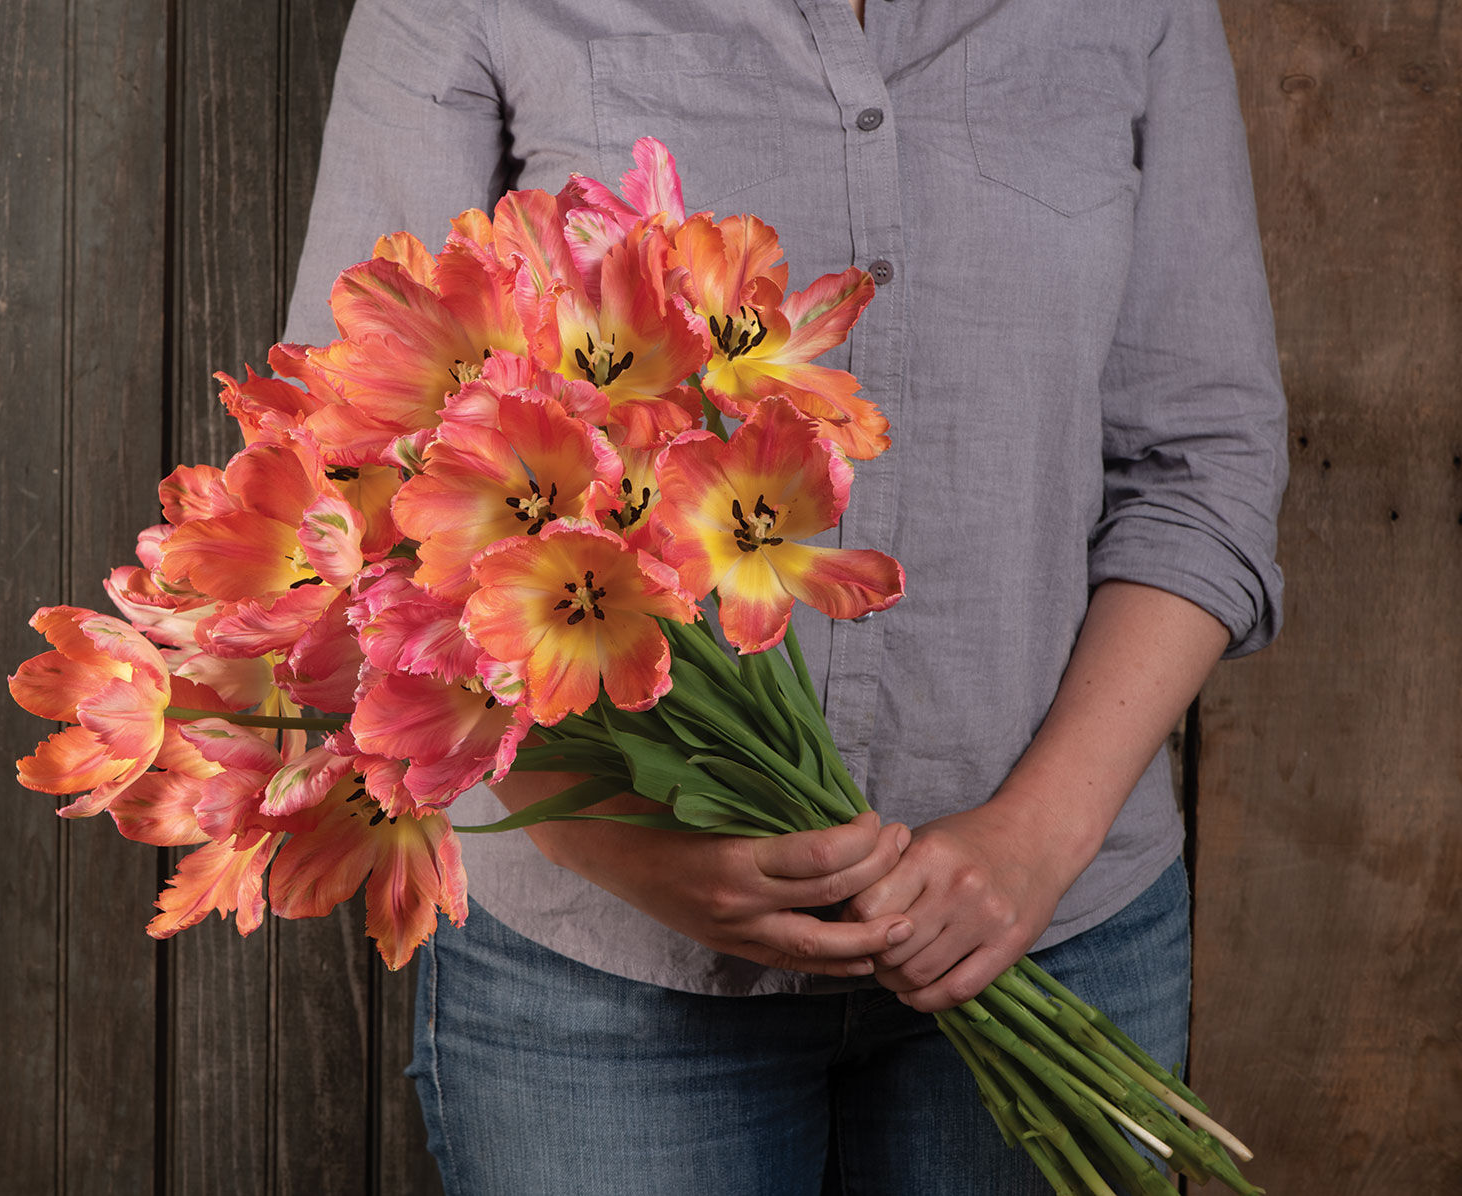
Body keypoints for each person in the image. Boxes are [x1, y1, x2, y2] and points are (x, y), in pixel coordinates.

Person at [280, 1, 1287, 1191]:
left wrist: (1031, 842)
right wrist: (622, 844)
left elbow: (1200, 466)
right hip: (607, 976)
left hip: (1057, 933)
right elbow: (354, 476)